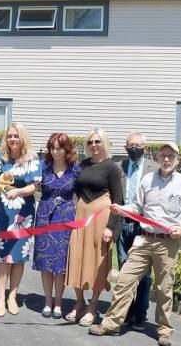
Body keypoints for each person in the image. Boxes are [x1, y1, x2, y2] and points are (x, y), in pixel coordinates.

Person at [88, 143, 181, 346]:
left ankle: (164, 330)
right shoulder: (147, 180)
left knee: (164, 288)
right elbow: (137, 207)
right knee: (124, 279)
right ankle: (111, 323)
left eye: (171, 156)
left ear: (177, 159)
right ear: (157, 158)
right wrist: (122, 209)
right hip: (144, 239)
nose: (166, 159)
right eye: (163, 156)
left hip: (169, 243)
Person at [65, 128, 123, 327]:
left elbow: (119, 200)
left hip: (101, 219)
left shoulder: (112, 167)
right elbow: (76, 189)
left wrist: (111, 228)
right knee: (77, 258)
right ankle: (79, 301)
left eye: (97, 141)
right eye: (90, 142)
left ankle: (93, 306)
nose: (94, 145)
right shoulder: (83, 165)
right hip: (82, 216)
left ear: (104, 143)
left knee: (99, 260)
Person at [0, 122, 41, 317]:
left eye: (16, 136)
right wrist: (0, 184)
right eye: (10, 136)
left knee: (19, 255)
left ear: (22, 138)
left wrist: (18, 191)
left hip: (24, 213)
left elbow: (33, 187)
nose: (13, 139)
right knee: (4, 256)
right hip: (4, 211)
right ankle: (0, 297)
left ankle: (13, 295)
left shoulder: (32, 159)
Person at [33, 133, 80, 319]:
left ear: (67, 149)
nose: (54, 151)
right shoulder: (42, 167)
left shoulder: (75, 170)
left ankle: (59, 303)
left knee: (60, 263)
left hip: (66, 217)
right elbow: (30, 183)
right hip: (45, 216)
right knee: (46, 261)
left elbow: (84, 194)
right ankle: (47, 301)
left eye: (59, 147)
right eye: (51, 147)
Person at [115, 131, 157, 330]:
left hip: (144, 226)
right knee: (125, 270)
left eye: (138, 145)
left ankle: (140, 313)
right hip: (123, 224)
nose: (134, 148)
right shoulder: (119, 167)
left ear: (145, 147)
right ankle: (127, 310)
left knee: (144, 273)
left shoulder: (154, 169)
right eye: (130, 145)